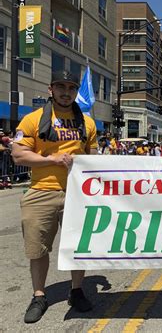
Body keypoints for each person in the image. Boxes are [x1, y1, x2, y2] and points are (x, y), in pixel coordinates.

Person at [12, 70, 98, 323]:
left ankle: (77, 290)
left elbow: (94, 159)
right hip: (41, 192)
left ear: (75, 92)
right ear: (51, 89)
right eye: (60, 86)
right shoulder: (32, 119)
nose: (66, 91)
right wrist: (51, 159)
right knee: (37, 249)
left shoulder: (88, 123)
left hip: (77, 193)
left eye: (71, 87)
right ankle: (39, 295)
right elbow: (18, 155)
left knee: (78, 247)